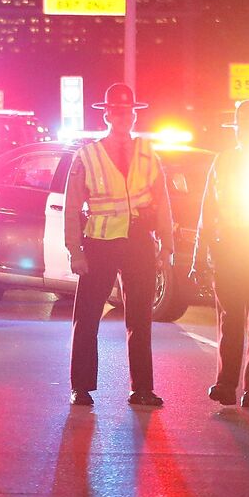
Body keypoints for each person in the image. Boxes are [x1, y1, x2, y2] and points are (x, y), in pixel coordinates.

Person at [65, 83, 172, 408]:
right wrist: (76, 250)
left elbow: (162, 201)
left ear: (134, 115)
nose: (124, 117)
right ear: (107, 114)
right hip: (99, 242)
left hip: (138, 240)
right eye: (118, 111)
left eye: (129, 112)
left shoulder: (147, 153)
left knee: (140, 318)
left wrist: (166, 244)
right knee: (87, 317)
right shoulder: (87, 156)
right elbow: (72, 207)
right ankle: (81, 388)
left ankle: (142, 389)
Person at [198, 99, 249, 408]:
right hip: (231, 250)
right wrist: (200, 253)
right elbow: (208, 210)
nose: (245, 131)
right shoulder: (223, 162)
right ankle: (227, 384)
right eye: (242, 126)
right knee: (231, 319)